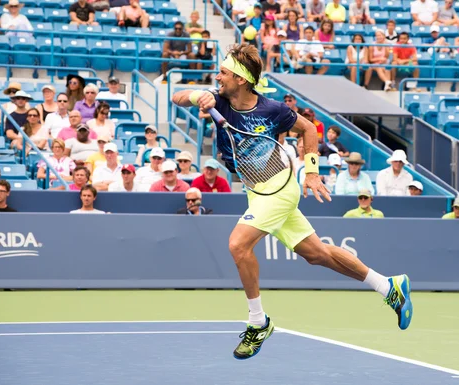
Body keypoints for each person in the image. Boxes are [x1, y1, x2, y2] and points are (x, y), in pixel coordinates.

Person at [172, 43, 413, 360]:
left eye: (224, 73)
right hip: (255, 190)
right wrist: (195, 96)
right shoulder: (218, 100)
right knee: (318, 254)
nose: (218, 77)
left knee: (238, 245)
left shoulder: (273, 110)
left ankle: (258, 322)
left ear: (242, 80)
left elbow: (309, 129)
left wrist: (312, 172)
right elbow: (178, 96)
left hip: (280, 186)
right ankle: (388, 287)